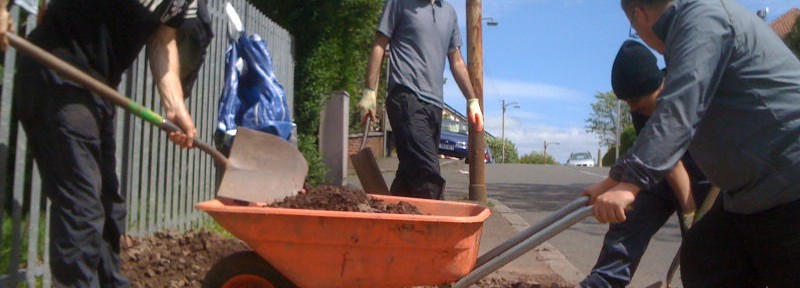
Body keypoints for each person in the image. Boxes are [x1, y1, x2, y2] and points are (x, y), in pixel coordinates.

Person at [589, 0, 800, 286]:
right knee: (706, 257)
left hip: (787, 184)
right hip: (751, 194)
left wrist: (630, 185)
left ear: (640, 16)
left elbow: (678, 110)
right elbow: (662, 122)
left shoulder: (702, 20)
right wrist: (612, 180)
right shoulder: (689, 30)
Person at [7, 1, 205, 286]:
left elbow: (163, 38)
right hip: (57, 71)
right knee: (83, 209)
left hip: (99, 91)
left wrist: (175, 105)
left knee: (109, 210)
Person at [580, 40, 710, 288]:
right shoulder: (641, 109)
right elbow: (646, 154)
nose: (634, 107)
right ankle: (602, 282)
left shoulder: (683, 92)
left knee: (702, 250)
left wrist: (690, 215)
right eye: (628, 102)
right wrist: (607, 185)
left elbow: (669, 154)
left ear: (657, 87)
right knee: (628, 219)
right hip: (659, 171)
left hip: (705, 173)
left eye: (637, 100)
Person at [360, 0, 484, 199]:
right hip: (405, 97)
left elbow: (457, 60)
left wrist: (472, 100)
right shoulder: (399, 3)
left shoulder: (449, 13)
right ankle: (439, 227)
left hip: (434, 104)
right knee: (427, 173)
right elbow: (379, 45)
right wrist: (369, 92)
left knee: (410, 174)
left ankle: (391, 223)